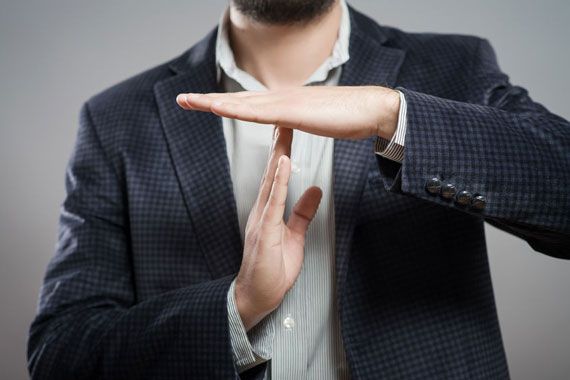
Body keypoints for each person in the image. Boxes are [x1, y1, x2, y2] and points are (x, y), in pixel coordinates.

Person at [28, 0, 570, 379]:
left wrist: (391, 115)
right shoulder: (116, 118)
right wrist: (237, 308)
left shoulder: (454, 67)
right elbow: (61, 352)